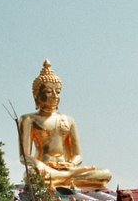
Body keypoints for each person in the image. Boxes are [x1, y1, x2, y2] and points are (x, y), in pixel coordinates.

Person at [18, 60, 112, 190]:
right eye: (49, 92)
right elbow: (24, 156)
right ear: (36, 95)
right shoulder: (28, 119)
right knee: (33, 176)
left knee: (105, 174)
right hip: (44, 170)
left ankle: (64, 178)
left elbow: (78, 155)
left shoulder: (68, 120)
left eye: (58, 91)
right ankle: (67, 178)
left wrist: (71, 164)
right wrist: (40, 165)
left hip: (66, 168)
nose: (55, 96)